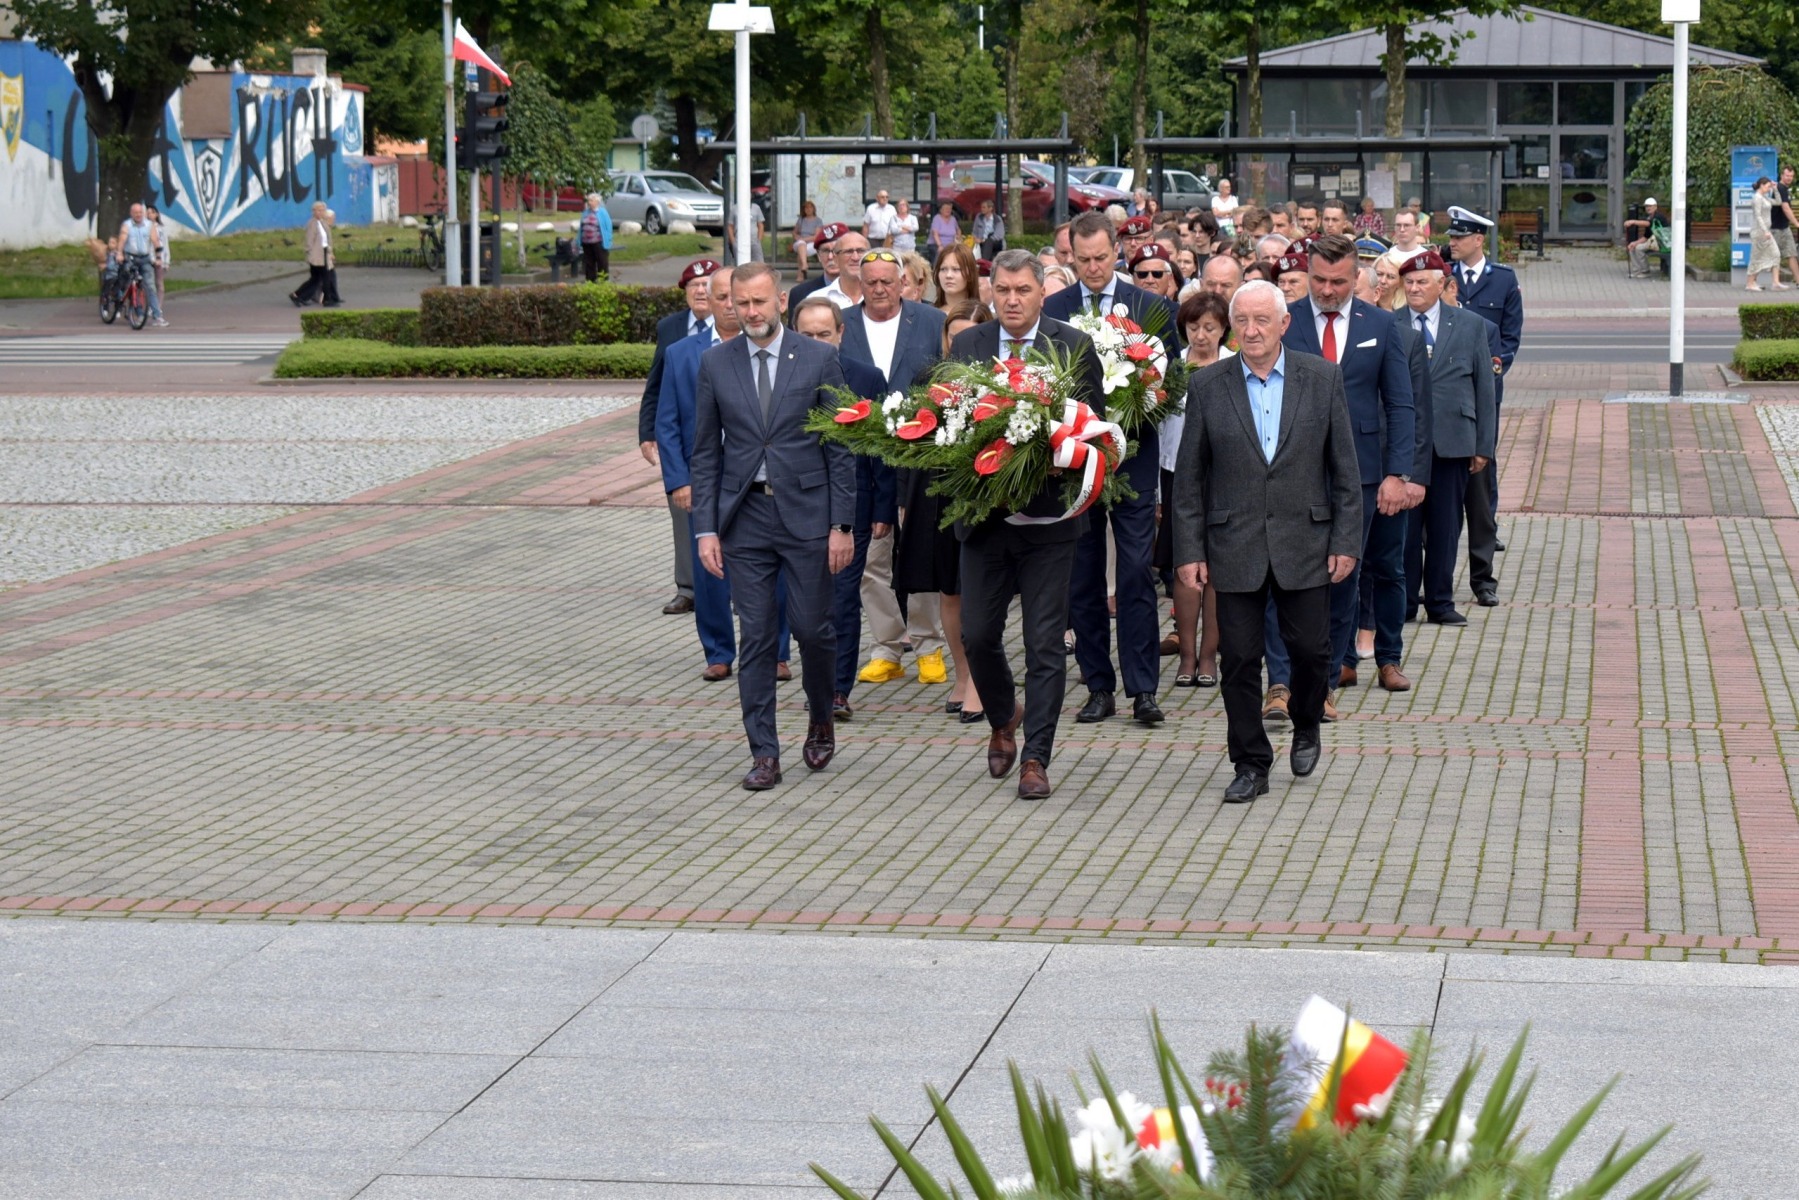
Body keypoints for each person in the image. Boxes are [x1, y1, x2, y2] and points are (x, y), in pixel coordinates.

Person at [1173, 280, 1362, 803]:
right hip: (1233, 544)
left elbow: (1345, 472)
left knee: (1311, 651)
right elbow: (1189, 479)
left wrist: (1346, 540)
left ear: (1284, 324)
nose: (1252, 331)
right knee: (1238, 659)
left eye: (1262, 320)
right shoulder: (1208, 385)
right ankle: (1251, 762)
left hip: (1306, 540)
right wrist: (1189, 551)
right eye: (1243, 321)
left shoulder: (1321, 378)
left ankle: (1307, 722)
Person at [690, 263, 856, 792]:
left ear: (780, 301)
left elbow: (841, 446)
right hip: (746, 518)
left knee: (811, 629)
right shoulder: (716, 363)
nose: (751, 311)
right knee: (758, 636)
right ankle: (764, 752)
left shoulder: (818, 357)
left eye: (759, 301)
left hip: (807, 514)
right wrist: (705, 529)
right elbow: (705, 454)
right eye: (741, 303)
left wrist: (841, 524)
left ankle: (821, 717)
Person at [951, 250, 1105, 800]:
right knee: (977, 635)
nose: (1012, 300)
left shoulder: (1073, 345)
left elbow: (1094, 428)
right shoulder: (967, 345)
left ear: (1043, 292)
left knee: (1044, 644)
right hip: (984, 519)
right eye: (1003, 290)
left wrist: (1057, 455)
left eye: (1023, 290)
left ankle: (1036, 757)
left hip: (1049, 524)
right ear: (990, 291)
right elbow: (947, 419)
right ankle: (1003, 717)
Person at [1268, 232, 1416, 721]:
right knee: (1283, 577)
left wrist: (1397, 473)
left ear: (1358, 278)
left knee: (1342, 579)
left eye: (1338, 282)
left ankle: (1324, 686)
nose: (1327, 291)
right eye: (1319, 280)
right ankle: (1280, 683)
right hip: (1291, 471)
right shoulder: (1285, 321)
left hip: (1362, 474)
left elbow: (1400, 403)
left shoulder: (1382, 325)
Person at [1045, 210, 1179, 729]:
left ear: (1117, 251)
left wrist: (1140, 402)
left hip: (1134, 459)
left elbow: (1172, 382)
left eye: (1101, 257)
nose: (1093, 267)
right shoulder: (1055, 308)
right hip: (1077, 461)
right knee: (1081, 574)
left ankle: (1143, 689)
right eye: (1083, 260)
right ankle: (1098, 685)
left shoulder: (1150, 306)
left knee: (1136, 571)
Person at [657, 266, 794, 682]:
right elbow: (667, 421)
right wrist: (679, 481)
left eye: (751, 301)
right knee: (709, 569)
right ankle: (718, 651)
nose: (737, 308)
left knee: (773, 566)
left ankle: (777, 652)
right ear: (719, 302)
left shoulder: (772, 350)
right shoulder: (682, 353)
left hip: (758, 479)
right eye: (726, 299)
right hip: (705, 479)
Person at [842, 249, 950, 690]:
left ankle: (928, 646)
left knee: (920, 552)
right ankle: (887, 647)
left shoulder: (930, 321)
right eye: (871, 282)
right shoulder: (843, 324)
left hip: (919, 456)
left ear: (903, 282)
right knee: (872, 558)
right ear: (860, 284)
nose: (880, 289)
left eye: (888, 281)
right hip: (863, 458)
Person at [791, 296, 899, 721]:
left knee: (841, 600)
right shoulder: (781, 376)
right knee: (806, 604)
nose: (817, 341)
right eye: (807, 334)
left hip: (853, 507)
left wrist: (883, 508)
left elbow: (882, 450)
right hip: (796, 506)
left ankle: (837, 690)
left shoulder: (867, 377)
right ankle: (815, 682)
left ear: (841, 333)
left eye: (824, 333)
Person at [897, 298, 992, 724]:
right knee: (949, 591)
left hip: (984, 494)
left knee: (980, 591)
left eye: (969, 337)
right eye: (953, 338)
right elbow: (908, 441)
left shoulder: (1001, 380)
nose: (960, 346)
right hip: (936, 495)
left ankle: (981, 682)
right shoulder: (927, 377)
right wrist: (904, 500)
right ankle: (963, 673)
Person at [1399, 250, 1495, 627]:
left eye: (1422, 282)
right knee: (1405, 530)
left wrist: (1483, 446)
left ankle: (1440, 602)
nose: (1414, 288)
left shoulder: (1469, 325)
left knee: (1445, 526)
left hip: (1453, 442)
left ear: (1442, 285)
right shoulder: (1391, 323)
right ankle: (1404, 602)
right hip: (1406, 445)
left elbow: (1484, 388)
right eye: (1409, 282)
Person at [1445, 204, 1522, 604]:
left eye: (1460, 237)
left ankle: (1484, 553)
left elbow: (1509, 336)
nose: (1453, 242)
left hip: (1483, 392)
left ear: (1478, 239)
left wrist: (1491, 369)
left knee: (1481, 474)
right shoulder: (1444, 274)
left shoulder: (1503, 279)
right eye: (1451, 237)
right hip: (1446, 395)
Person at [639, 258, 721, 616]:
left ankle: (731, 587)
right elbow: (657, 383)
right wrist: (647, 431)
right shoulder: (671, 328)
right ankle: (688, 588)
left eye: (707, 285)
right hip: (685, 440)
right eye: (694, 286)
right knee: (684, 515)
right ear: (685, 292)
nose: (701, 291)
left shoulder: (735, 330)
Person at [1159, 290, 1232, 688]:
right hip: (1177, 476)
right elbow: (1159, 432)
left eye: (1209, 327)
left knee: (1217, 570)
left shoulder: (1234, 367)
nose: (1201, 336)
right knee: (1186, 569)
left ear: (1224, 330)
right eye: (1193, 327)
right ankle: (1186, 655)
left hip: (1225, 479)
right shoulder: (1170, 372)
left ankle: (1209, 656)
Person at [118, 202, 168, 326]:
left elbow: (155, 241)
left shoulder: (149, 225)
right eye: (136, 213)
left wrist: (158, 257)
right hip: (131, 257)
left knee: (150, 286)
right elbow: (122, 239)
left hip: (145, 258)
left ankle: (157, 316)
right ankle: (138, 313)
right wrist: (119, 253)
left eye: (140, 212)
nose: (138, 215)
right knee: (131, 284)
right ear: (131, 214)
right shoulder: (127, 225)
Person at [288, 201, 332, 311]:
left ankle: (297, 295)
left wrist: (330, 252)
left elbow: (327, 239)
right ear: (313, 211)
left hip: (323, 253)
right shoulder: (312, 224)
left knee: (315, 279)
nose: (320, 212)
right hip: (316, 256)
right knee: (323, 277)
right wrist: (310, 255)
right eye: (318, 210)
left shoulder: (322, 223)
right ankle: (327, 300)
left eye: (322, 210)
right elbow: (309, 242)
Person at [790, 222, 846, 307]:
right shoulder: (800, 294)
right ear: (819, 256)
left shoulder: (863, 291)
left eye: (836, 250)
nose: (830, 256)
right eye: (825, 251)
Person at [1746, 177, 1784, 291]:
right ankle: (1750, 284)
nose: (1769, 189)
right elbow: (1758, 216)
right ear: (1761, 185)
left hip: (1766, 232)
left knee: (1776, 254)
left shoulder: (1764, 197)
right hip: (1759, 232)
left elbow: (1778, 202)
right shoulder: (1757, 198)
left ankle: (1776, 282)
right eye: (1768, 186)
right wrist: (1765, 231)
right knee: (1756, 258)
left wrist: (1775, 189)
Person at [820, 229, 870, 307]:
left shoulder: (885, 297)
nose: (855, 258)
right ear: (836, 259)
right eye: (848, 252)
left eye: (860, 251)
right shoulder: (818, 299)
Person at [1624, 198, 1668, 279]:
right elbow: (1646, 236)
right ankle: (1637, 270)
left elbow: (1648, 224)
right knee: (1632, 247)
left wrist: (1633, 222)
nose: (1648, 208)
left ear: (1655, 207)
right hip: (1653, 242)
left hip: (1662, 243)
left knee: (1639, 248)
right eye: (1646, 206)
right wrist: (1635, 243)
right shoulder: (1648, 218)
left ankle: (1645, 271)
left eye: (1650, 206)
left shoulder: (1658, 217)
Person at [933, 241, 980, 309]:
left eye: (956, 269)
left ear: (970, 273)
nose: (948, 275)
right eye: (943, 269)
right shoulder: (928, 313)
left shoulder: (980, 314)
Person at [579, 192, 613, 282]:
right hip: (586, 242)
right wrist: (580, 239)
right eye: (588, 200)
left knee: (602, 262)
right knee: (589, 262)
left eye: (591, 200)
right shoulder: (585, 212)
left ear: (597, 202)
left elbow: (608, 226)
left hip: (599, 241)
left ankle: (603, 281)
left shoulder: (602, 213)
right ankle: (590, 281)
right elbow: (581, 227)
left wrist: (608, 239)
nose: (589, 202)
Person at [1777, 166, 1799, 286]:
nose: (1789, 178)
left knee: (1791, 253)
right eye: (1787, 175)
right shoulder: (1780, 188)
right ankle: (1751, 281)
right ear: (1782, 175)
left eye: (1791, 176)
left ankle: (1798, 281)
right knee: (1771, 255)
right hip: (1776, 228)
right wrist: (1796, 223)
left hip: (1784, 227)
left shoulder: (1785, 189)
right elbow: (1785, 208)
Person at [725, 199, 765, 265]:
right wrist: (733, 242)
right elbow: (730, 226)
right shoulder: (734, 209)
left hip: (754, 241)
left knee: (759, 263)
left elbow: (760, 225)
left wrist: (759, 240)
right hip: (739, 242)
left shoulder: (756, 208)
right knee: (740, 263)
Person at [791, 200, 823, 280]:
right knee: (801, 244)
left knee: (801, 251)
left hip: (812, 243)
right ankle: (805, 264)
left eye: (810, 207)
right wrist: (796, 236)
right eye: (806, 208)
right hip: (800, 242)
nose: (808, 209)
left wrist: (804, 239)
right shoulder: (801, 220)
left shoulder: (818, 221)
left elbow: (816, 236)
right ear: (804, 210)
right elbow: (794, 232)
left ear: (813, 209)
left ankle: (800, 274)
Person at [146, 205, 170, 309]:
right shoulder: (144, 227)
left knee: (159, 283)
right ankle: (149, 306)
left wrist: (167, 261)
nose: (149, 215)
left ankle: (158, 306)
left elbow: (165, 244)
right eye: (147, 213)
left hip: (160, 259)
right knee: (149, 284)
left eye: (151, 212)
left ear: (156, 214)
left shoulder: (161, 228)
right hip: (149, 258)